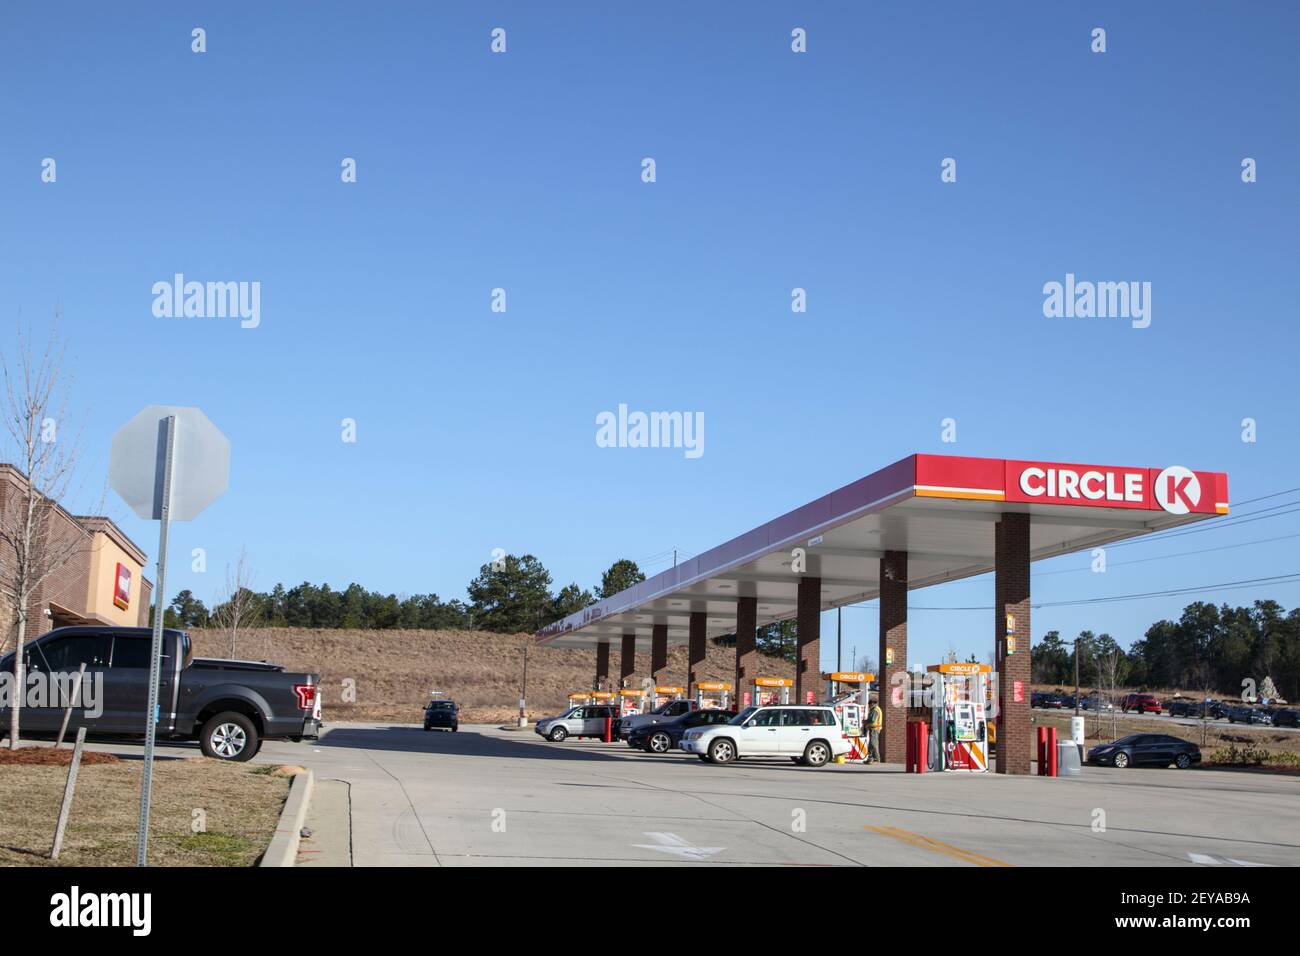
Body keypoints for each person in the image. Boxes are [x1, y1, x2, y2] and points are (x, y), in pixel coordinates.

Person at [866, 694, 883, 763]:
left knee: (873, 743)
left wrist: (865, 722)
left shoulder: (875, 710)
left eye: (869, 705)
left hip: (874, 729)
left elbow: (872, 720)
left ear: (872, 704)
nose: (869, 706)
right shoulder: (875, 709)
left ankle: (877, 758)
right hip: (873, 729)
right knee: (870, 744)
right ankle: (870, 759)